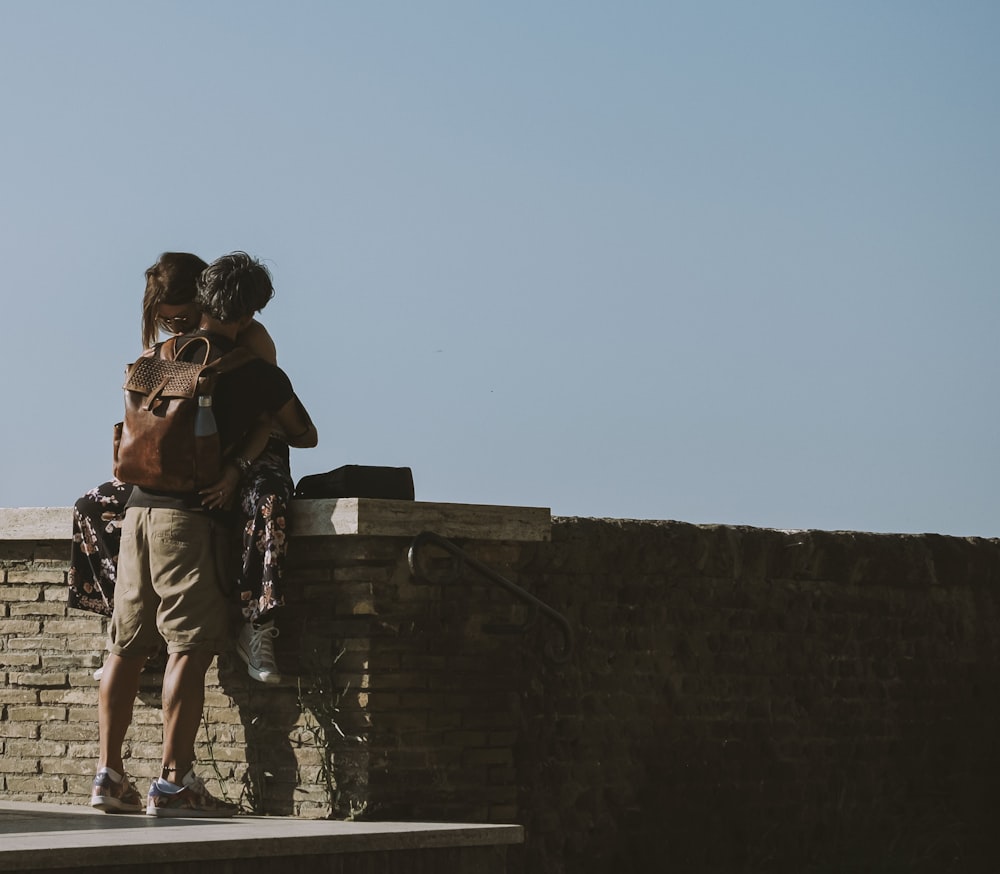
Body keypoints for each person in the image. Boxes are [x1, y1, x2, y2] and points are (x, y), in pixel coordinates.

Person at [90, 252, 318, 816]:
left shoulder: (157, 355)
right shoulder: (254, 369)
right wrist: (260, 425)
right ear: (253, 309)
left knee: (124, 647)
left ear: (203, 297)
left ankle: (108, 776)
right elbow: (306, 434)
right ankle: (173, 783)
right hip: (188, 522)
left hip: (138, 512)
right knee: (189, 649)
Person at [70, 251, 296, 684]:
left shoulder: (249, 340)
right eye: (164, 320)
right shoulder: (165, 350)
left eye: (180, 318)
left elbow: (267, 413)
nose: (174, 327)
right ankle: (128, 623)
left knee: (266, 503)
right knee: (90, 508)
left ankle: (256, 622)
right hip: (183, 462)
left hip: (248, 451)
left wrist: (234, 469)